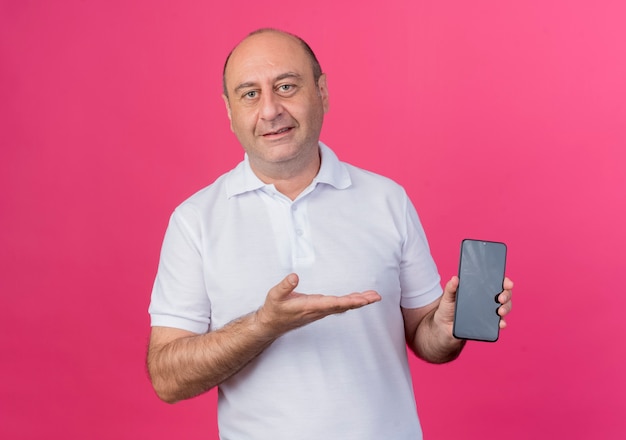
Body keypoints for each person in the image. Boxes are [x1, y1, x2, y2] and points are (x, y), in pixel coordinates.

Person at [147, 28, 513, 439]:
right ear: (229, 111)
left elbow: (426, 338)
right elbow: (167, 377)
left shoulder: (387, 200)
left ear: (321, 92)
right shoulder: (194, 220)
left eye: (286, 86)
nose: (270, 110)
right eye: (249, 93)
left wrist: (445, 327)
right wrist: (264, 325)